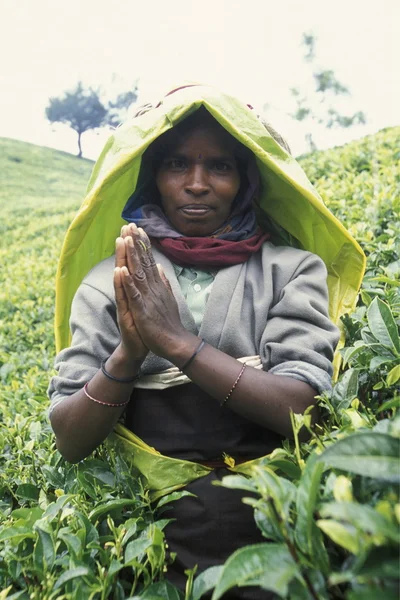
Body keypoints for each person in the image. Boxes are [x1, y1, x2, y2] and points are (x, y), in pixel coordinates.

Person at [48, 84, 365, 598]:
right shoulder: (110, 280)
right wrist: (130, 352)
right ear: (154, 176)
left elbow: (301, 407)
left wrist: (175, 343)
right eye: (177, 164)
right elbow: (70, 438)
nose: (197, 184)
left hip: (273, 529)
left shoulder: (289, 270)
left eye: (219, 166)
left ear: (245, 181)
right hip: (150, 541)